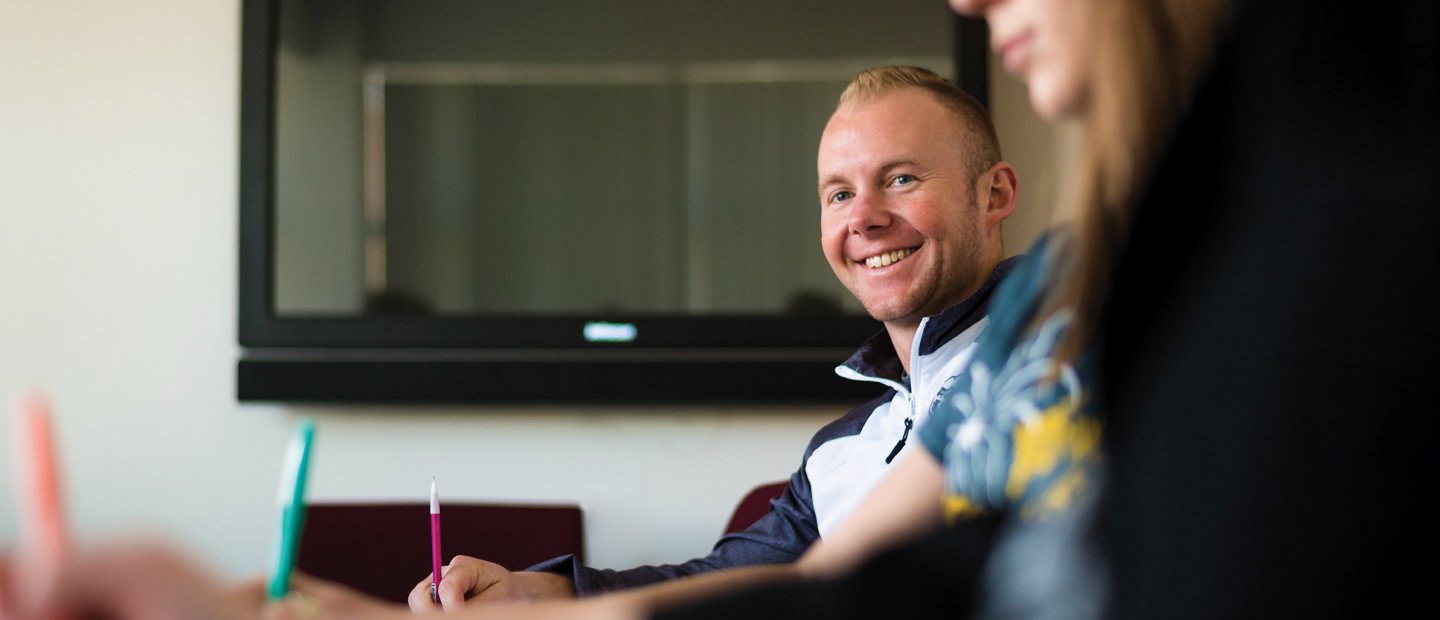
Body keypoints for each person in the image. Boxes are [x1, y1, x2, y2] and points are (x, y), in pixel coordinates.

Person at [407, 64, 1023, 610]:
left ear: (993, 194)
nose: (863, 217)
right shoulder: (838, 449)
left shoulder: (1064, 359)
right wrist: (536, 593)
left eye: (901, 179)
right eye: (839, 193)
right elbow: (726, 581)